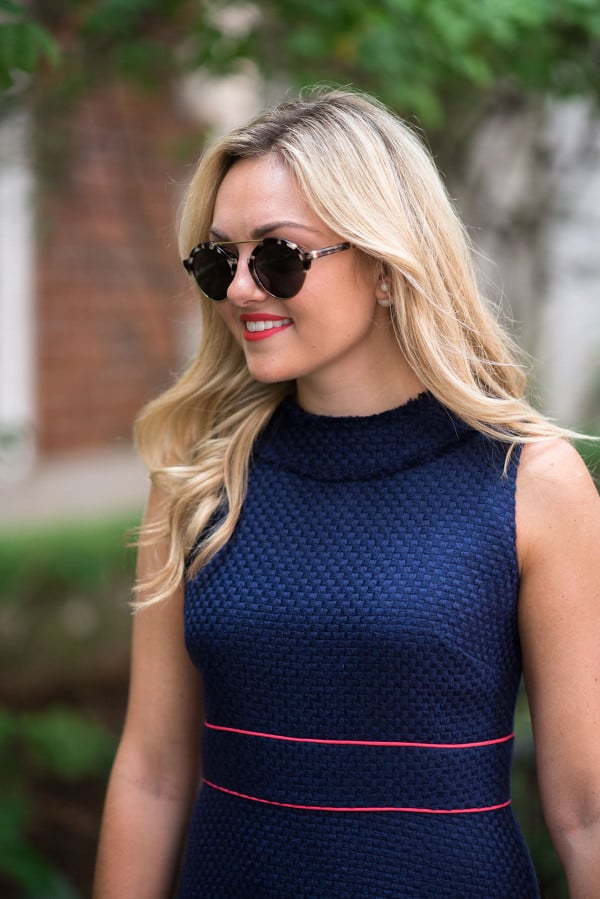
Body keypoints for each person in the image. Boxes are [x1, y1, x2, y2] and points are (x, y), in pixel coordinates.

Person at [93, 88, 600, 898]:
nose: (240, 289)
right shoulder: (197, 477)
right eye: (220, 259)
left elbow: (586, 812)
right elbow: (153, 773)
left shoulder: (530, 482)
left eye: (280, 255)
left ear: (388, 265)